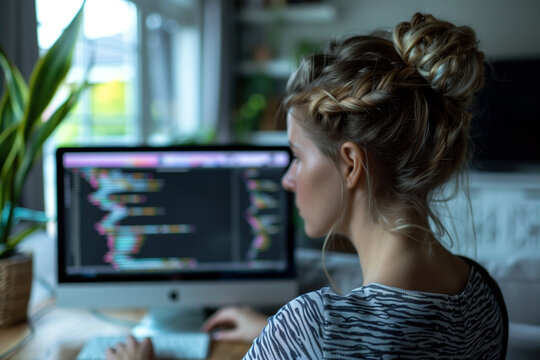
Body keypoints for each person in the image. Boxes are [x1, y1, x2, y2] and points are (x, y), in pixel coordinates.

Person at [106, 12, 507, 359]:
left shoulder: (314, 329)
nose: (287, 178)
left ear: (350, 164)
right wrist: (280, 338)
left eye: (297, 157)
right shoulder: (481, 297)